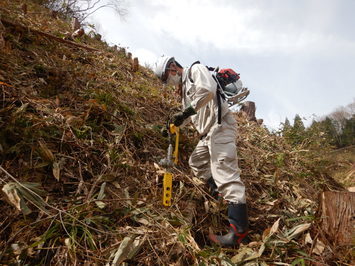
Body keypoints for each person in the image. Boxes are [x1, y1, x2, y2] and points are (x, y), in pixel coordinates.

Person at [154, 56, 249, 247]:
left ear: (172, 67)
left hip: (219, 127)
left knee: (226, 173)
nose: (168, 83)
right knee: (196, 163)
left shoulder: (195, 70)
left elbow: (207, 91)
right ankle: (220, 194)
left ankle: (238, 234)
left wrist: (184, 113)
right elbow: (189, 114)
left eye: (166, 78)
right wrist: (174, 122)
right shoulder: (184, 92)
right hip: (206, 135)